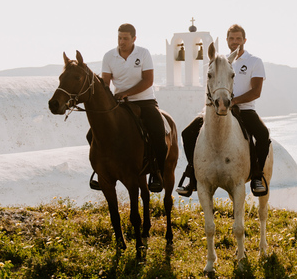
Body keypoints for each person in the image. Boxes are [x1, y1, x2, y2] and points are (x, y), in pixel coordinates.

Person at [176, 24, 270, 198]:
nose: (235, 42)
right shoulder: (220, 61)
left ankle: (257, 175)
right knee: (187, 133)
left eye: (238, 39)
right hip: (217, 108)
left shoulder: (254, 62)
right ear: (227, 41)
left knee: (263, 134)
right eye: (232, 39)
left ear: (244, 41)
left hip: (244, 110)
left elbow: (256, 91)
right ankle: (193, 174)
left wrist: (233, 101)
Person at [91, 23, 167, 193]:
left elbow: (148, 81)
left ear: (134, 39)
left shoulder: (144, 53)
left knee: (158, 133)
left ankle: (156, 174)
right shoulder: (109, 56)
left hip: (144, 101)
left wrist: (125, 93)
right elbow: (105, 83)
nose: (121, 41)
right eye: (119, 38)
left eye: (125, 38)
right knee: (93, 134)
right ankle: (99, 171)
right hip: (120, 104)